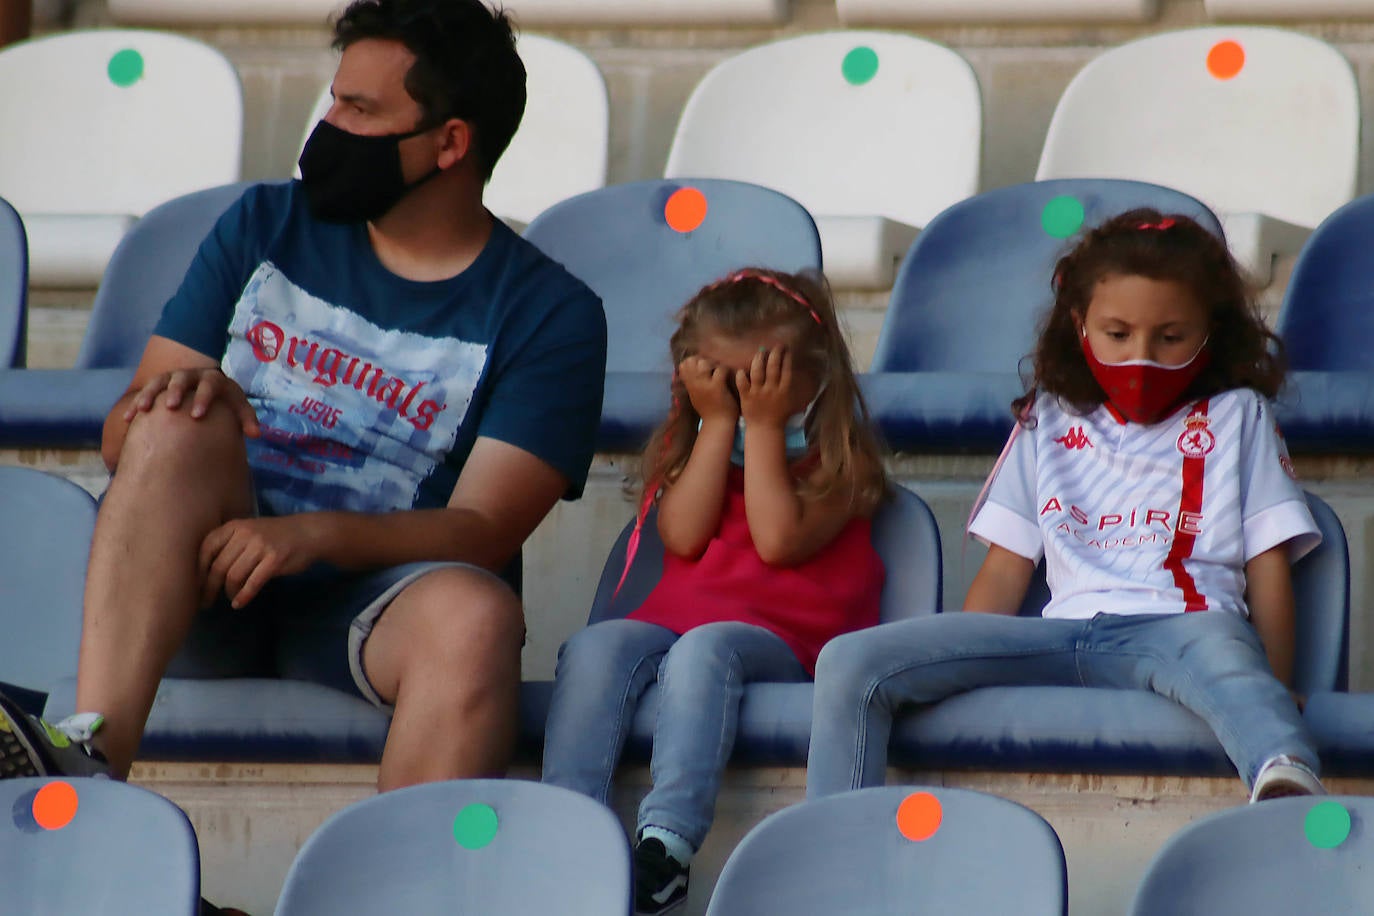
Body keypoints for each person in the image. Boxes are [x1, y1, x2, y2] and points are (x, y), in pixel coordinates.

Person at [0, 0, 606, 795]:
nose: (330, 125)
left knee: (477, 616)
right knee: (179, 417)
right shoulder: (261, 222)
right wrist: (177, 398)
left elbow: (483, 530)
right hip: (202, 583)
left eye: (360, 109)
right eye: (334, 98)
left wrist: (312, 536)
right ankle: (89, 760)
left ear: (450, 143)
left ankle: (392, 892)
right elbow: (126, 438)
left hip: (370, 609)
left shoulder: (550, 312)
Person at [806, 209, 1325, 804]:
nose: (1142, 357)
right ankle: (831, 834)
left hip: (1181, 629)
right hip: (1057, 635)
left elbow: (1267, 564)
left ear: (1212, 330)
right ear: (1080, 325)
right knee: (851, 661)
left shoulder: (1239, 415)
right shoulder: (1048, 417)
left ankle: (1285, 780)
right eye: (1118, 333)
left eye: (1171, 336)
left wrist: (1277, 682)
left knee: (1226, 654)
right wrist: (964, 664)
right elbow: (1005, 570)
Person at [542, 268, 887, 915]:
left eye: (758, 380)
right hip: (675, 627)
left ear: (812, 378)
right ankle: (567, 825)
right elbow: (682, 534)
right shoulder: (698, 451)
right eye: (722, 382)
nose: (739, 395)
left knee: (702, 649)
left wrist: (760, 427)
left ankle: (665, 845)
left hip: (780, 640)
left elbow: (778, 538)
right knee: (594, 646)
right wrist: (718, 426)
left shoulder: (840, 464)